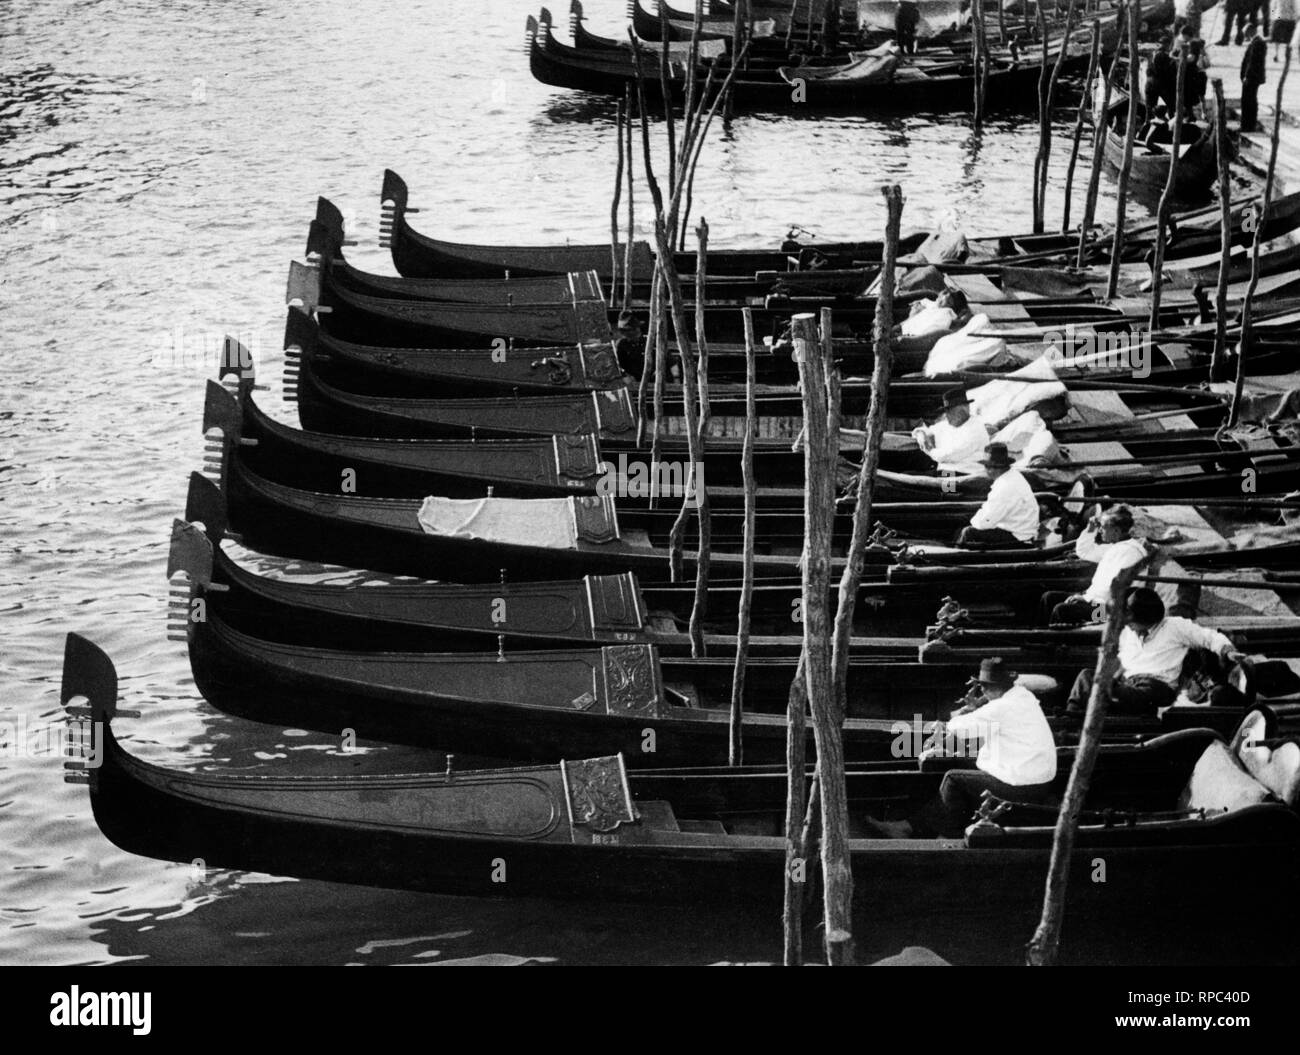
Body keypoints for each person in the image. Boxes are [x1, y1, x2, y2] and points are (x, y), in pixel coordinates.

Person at [929, 658, 1058, 837]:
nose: (982, 691)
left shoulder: (1001, 707)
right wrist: (978, 709)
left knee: (953, 779)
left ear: (991, 688)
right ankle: (913, 825)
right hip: (1036, 780)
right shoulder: (1023, 695)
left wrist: (959, 714)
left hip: (1022, 785)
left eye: (984, 687)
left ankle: (945, 839)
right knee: (963, 766)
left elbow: (959, 729)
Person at [1065, 588, 1245, 716]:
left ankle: (1072, 721)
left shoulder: (1174, 626)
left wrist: (1228, 651)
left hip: (1156, 689)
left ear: (1146, 619)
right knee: (1087, 677)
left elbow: (1209, 637)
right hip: (1129, 685)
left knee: (1093, 685)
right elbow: (1122, 661)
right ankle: (1072, 718)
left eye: (1131, 621)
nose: (1127, 624)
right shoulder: (1128, 632)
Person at [1042, 506, 1150, 625]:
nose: (1100, 531)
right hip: (1097, 600)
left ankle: (1053, 640)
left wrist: (1086, 599)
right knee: (1049, 597)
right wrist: (1091, 528)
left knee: (1062, 610)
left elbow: (1114, 588)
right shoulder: (1113, 547)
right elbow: (1084, 550)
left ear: (1116, 531)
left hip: (1108, 610)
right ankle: (1038, 636)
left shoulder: (1132, 553)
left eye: (1103, 528)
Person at [956, 442, 1040, 548]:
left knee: (968, 532)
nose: (984, 470)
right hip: (1021, 530)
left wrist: (973, 519)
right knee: (968, 525)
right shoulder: (1013, 475)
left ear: (991, 468)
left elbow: (984, 522)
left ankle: (953, 558)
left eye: (985, 466)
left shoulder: (1004, 487)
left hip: (1018, 537)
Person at [911, 387, 990, 475]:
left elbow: (948, 455)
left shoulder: (976, 429)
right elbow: (925, 430)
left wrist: (929, 450)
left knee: (913, 482)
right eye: (947, 411)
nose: (947, 415)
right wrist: (921, 434)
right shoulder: (946, 425)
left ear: (966, 408)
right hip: (945, 473)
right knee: (908, 475)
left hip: (964, 476)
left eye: (951, 410)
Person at [1242, 28, 1268, 131]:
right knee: (1250, 100)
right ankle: (1248, 124)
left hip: (1251, 78)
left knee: (1249, 101)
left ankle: (1248, 125)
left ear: (1250, 32)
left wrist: (1247, 76)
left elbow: (1252, 62)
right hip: (1253, 77)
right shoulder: (1257, 43)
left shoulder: (1257, 43)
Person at [1146, 33, 1178, 113]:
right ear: (1168, 44)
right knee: (1172, 106)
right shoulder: (1162, 55)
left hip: (1150, 83)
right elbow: (1168, 72)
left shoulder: (1153, 54)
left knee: (1151, 108)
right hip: (1160, 84)